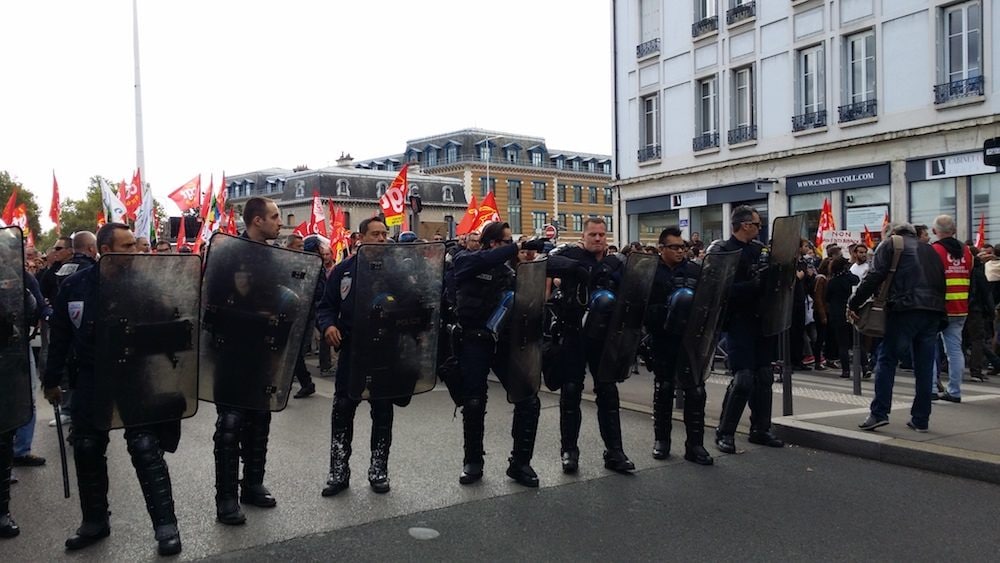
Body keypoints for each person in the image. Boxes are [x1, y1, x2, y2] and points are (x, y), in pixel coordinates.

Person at [42, 223, 184, 555]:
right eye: (128, 246)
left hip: (136, 375)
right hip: (92, 377)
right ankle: (94, 522)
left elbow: (170, 331)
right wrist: (51, 380)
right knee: (88, 447)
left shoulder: (147, 284)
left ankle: (166, 526)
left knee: (146, 447)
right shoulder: (75, 287)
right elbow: (61, 336)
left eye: (136, 245)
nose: (136, 251)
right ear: (106, 251)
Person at [452, 222, 548, 486]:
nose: (513, 246)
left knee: (527, 398)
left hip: (503, 343)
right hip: (474, 341)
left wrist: (541, 253)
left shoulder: (510, 272)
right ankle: (472, 461)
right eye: (507, 241)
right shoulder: (467, 260)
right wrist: (515, 248)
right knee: (473, 402)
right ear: (493, 243)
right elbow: (482, 260)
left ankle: (520, 463)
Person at [211, 197, 284, 525]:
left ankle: (252, 484)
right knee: (230, 425)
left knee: (260, 420)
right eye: (274, 216)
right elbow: (211, 302)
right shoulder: (227, 253)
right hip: (231, 350)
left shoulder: (275, 257)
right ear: (257, 220)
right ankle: (226, 497)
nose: (279, 222)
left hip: (262, 350)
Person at [316, 218, 401, 496]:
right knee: (342, 409)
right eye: (375, 234)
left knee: (383, 411)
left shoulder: (396, 270)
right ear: (360, 237)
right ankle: (338, 473)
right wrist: (328, 325)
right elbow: (326, 306)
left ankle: (378, 471)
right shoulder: (343, 271)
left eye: (384, 234)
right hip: (353, 350)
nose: (381, 239)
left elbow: (414, 304)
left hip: (385, 351)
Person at [548, 217, 635, 473]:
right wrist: (575, 267)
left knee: (608, 391)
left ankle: (615, 452)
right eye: (593, 234)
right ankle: (569, 451)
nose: (598, 239)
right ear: (583, 236)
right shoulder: (571, 254)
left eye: (601, 234)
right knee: (571, 391)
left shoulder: (615, 263)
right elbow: (545, 262)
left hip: (605, 338)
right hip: (575, 332)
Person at [851, 222, 945, 432]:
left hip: (905, 308)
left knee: (887, 359)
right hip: (933, 311)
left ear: (894, 233)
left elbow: (874, 276)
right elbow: (941, 279)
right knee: (924, 365)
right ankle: (921, 418)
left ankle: (879, 413)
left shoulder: (891, 244)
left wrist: (854, 303)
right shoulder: (929, 249)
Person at [713, 206, 785, 454]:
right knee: (743, 378)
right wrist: (752, 284)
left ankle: (761, 429)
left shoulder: (760, 251)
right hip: (738, 321)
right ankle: (725, 431)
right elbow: (719, 291)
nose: (759, 228)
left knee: (764, 376)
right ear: (745, 225)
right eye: (757, 224)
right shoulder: (723, 251)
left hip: (762, 320)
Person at [644, 227, 713, 465]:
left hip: (690, 339)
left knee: (695, 390)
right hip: (662, 337)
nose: (680, 251)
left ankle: (695, 445)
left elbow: (708, 300)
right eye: (674, 247)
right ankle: (661, 440)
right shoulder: (650, 271)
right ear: (661, 248)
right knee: (663, 389)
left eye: (682, 247)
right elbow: (639, 305)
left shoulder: (695, 270)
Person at [930, 215, 973, 403]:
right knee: (955, 351)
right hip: (961, 306)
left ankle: (930, 388)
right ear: (954, 231)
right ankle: (954, 391)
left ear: (935, 231)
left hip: (937, 307)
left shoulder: (934, 250)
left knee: (929, 348)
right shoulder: (967, 252)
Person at [825, 257, 860, 379]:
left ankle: (845, 371)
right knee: (856, 341)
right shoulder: (848, 278)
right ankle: (865, 366)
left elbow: (827, 297)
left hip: (837, 314)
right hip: (849, 311)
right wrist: (848, 272)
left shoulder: (832, 281)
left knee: (842, 344)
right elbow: (856, 280)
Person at [967, 245, 996, 382]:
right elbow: (986, 293)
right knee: (977, 340)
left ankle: (947, 366)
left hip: (961, 308)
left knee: (959, 341)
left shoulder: (962, 268)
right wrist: (991, 311)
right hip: (976, 310)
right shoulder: (978, 271)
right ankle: (976, 371)